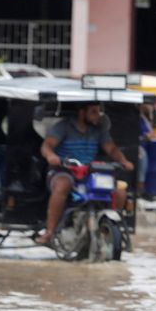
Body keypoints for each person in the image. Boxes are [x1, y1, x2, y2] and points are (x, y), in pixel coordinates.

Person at [37, 102, 134, 245]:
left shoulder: (99, 130)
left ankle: (110, 229)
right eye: (94, 112)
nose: (98, 116)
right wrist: (51, 156)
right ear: (82, 113)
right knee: (63, 185)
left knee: (120, 192)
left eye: (99, 112)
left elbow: (111, 148)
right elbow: (47, 145)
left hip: (90, 172)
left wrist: (123, 161)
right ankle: (50, 232)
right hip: (64, 170)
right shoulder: (63, 127)